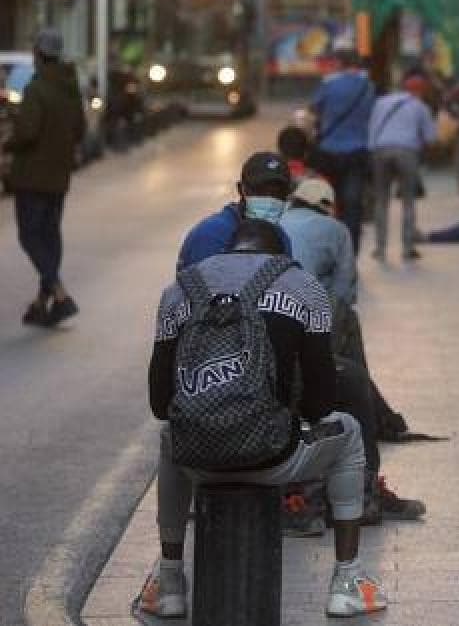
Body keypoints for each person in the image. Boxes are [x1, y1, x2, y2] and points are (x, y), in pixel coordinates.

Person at [141, 220, 387, 618]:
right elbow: (322, 404)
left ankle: (168, 580)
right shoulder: (304, 288)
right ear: (282, 254)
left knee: (170, 434)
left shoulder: (179, 290)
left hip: (196, 462)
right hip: (273, 458)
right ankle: (348, 580)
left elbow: (158, 401)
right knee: (351, 432)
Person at [5, 28, 85, 327]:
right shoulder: (70, 87)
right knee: (50, 236)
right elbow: (80, 130)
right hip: (59, 176)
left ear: (38, 55)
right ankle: (42, 303)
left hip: (32, 176)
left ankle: (60, 294)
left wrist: (8, 143)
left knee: (30, 236)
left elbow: (27, 131)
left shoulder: (37, 88)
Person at [177, 152, 294, 271]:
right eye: (259, 190)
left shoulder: (280, 236)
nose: (269, 199)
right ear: (240, 189)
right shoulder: (212, 236)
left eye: (278, 193)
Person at [310, 50, 375, 253]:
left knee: (329, 200)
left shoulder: (329, 84)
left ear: (339, 63)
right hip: (358, 151)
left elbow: (314, 109)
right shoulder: (368, 87)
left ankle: (330, 247)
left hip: (329, 151)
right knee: (353, 202)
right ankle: (351, 250)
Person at [368, 68, 437, 261]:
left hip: (380, 151)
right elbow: (431, 138)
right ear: (421, 90)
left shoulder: (381, 102)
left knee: (381, 201)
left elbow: (372, 130)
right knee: (408, 201)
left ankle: (380, 249)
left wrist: (373, 152)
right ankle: (407, 248)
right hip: (407, 152)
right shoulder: (420, 106)